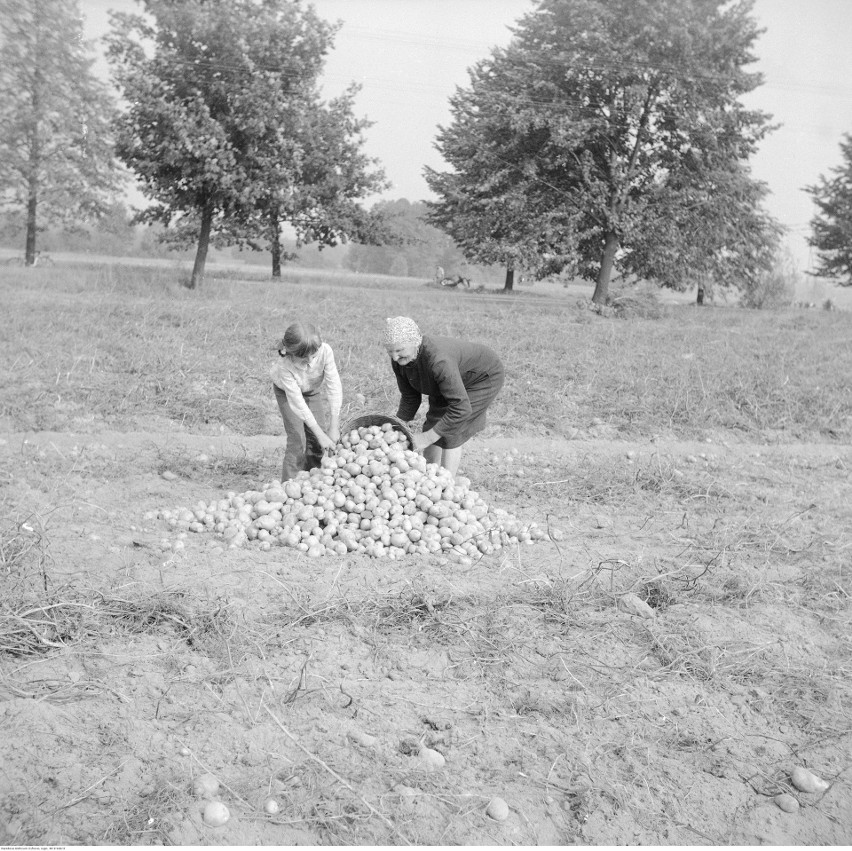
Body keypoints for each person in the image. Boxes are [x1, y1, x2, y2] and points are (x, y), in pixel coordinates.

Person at [384, 316, 504, 477]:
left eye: (399, 350)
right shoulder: (400, 362)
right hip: (452, 378)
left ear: (415, 342)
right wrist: (396, 426)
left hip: (480, 377)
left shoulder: (439, 361)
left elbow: (461, 408)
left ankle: (447, 485)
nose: (394, 357)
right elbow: (410, 397)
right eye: (390, 351)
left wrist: (427, 438)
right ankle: (429, 474)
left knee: (452, 429)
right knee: (434, 423)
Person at [270, 321, 342, 481]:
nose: (310, 361)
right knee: (298, 441)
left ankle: (311, 481)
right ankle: (289, 486)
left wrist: (334, 425)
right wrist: (320, 433)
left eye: (313, 356)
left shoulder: (325, 351)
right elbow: (297, 402)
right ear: (290, 352)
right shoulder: (285, 365)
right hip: (287, 393)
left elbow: (334, 386)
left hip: (311, 389)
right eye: (303, 358)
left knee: (317, 441)